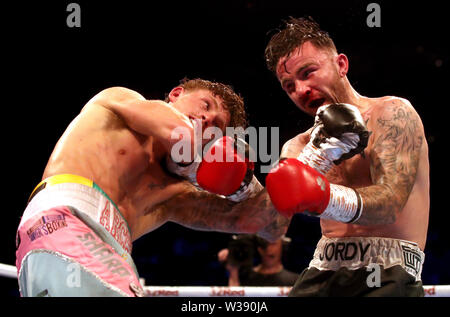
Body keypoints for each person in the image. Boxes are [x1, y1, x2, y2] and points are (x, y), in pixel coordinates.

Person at [15, 78, 289, 297]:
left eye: (217, 126)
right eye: (205, 105)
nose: (207, 120)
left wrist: (244, 185)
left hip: (100, 250)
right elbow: (177, 132)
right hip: (65, 219)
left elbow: (267, 225)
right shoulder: (120, 101)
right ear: (176, 94)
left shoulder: (175, 194)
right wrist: (199, 165)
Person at [264, 17, 429, 296]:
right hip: (322, 269)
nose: (301, 90)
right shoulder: (298, 146)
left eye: (308, 72)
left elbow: (390, 205)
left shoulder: (391, 114)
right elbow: (273, 227)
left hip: (388, 270)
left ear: (341, 64)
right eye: (289, 86)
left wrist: (318, 194)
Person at [218, 235, 298, 286]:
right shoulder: (246, 278)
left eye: (273, 243)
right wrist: (233, 270)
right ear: (259, 248)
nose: (268, 249)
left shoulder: (295, 280)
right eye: (264, 244)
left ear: (282, 246)